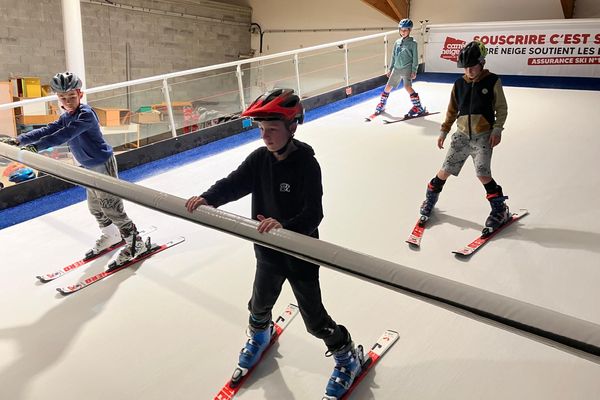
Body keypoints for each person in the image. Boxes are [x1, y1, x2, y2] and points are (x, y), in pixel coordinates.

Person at [185, 88, 363, 398]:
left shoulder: (307, 164)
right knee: (258, 304)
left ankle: (347, 355)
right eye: (262, 130)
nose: (265, 137)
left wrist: (285, 228)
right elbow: (234, 182)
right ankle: (260, 335)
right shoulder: (259, 159)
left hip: (300, 255)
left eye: (272, 130)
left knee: (315, 321)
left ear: (292, 127)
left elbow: (314, 213)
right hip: (267, 251)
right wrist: (208, 198)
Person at [1, 72, 148, 265]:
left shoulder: (86, 115)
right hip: (85, 166)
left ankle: (136, 242)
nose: (68, 101)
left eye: (72, 96)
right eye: (63, 97)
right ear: (58, 98)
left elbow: (63, 135)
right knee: (95, 207)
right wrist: (19, 140)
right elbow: (49, 129)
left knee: (110, 207)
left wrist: (35, 147)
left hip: (101, 164)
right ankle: (111, 235)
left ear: (80, 94)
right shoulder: (66, 115)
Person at [418, 41, 510, 236]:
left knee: (482, 173)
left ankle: (500, 210)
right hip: (461, 136)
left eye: (472, 66)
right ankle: (430, 201)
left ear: (482, 62)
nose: (469, 70)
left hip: (483, 137)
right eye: (465, 67)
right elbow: (452, 109)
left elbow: (501, 108)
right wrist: (444, 130)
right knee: (444, 171)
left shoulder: (492, 81)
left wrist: (497, 129)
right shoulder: (459, 84)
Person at [372, 18, 426, 118]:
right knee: (388, 86)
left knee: (407, 87)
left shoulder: (413, 43)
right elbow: (393, 56)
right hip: (396, 68)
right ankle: (382, 104)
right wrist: (390, 68)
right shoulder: (397, 42)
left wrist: (414, 70)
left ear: (410, 30)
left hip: (407, 68)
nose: (403, 32)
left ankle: (418, 107)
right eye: (401, 30)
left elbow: (415, 58)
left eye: (405, 30)